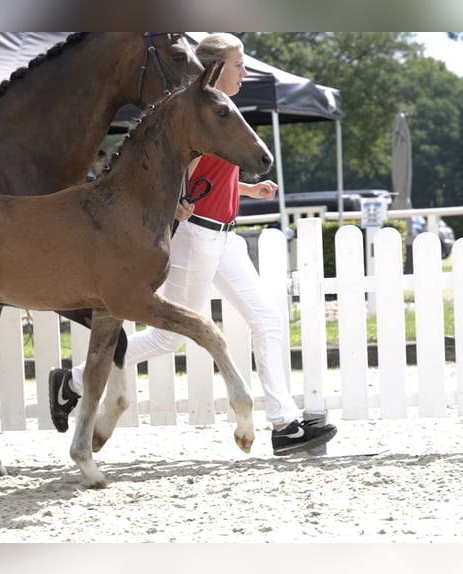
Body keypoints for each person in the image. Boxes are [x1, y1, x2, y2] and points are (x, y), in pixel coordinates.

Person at [49, 33, 337, 456]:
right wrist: (178, 202)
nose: (245, 72)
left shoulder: (224, 109)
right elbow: (177, 163)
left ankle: (284, 424)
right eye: (240, 65)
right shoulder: (197, 111)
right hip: (199, 236)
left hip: (226, 235)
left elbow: (217, 168)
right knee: (168, 339)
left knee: (268, 321)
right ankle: (72, 381)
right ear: (217, 69)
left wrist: (247, 191)